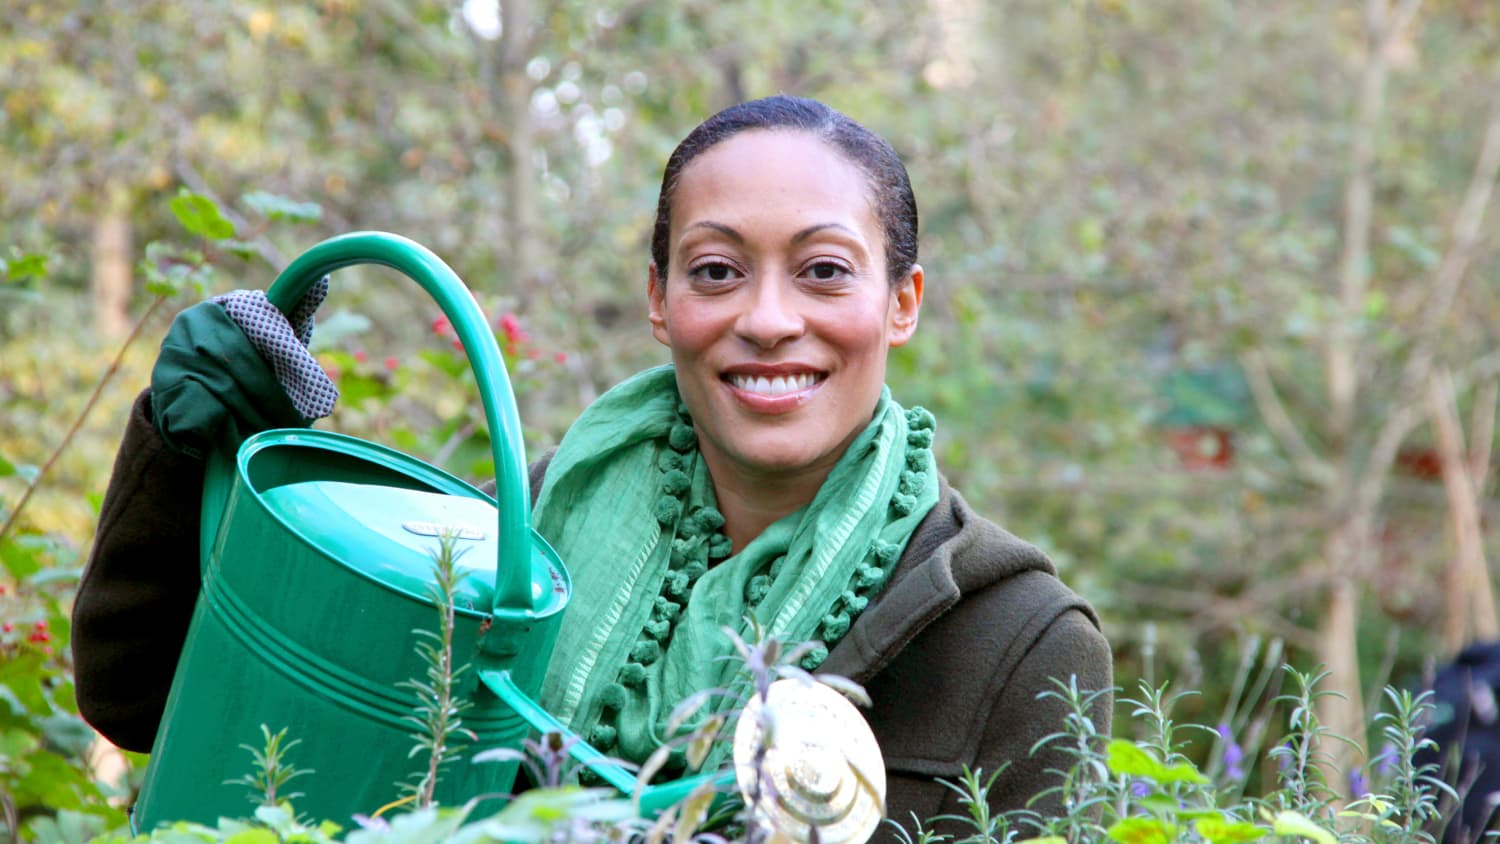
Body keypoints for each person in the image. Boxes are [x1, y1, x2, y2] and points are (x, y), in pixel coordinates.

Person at [73, 95, 1112, 836]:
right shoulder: (517, 549)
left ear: (902, 302)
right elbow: (149, 701)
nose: (767, 318)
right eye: (716, 270)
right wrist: (190, 448)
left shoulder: (1018, 639)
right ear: (661, 300)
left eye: (824, 270)